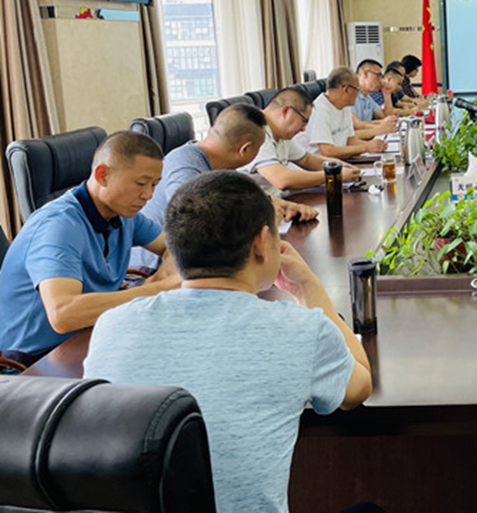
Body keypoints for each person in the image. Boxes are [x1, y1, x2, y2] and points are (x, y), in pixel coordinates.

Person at [84, 171, 372, 513]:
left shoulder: (112, 325)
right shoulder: (301, 329)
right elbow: (360, 387)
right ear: (262, 242)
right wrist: (309, 287)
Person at [0, 132, 180, 367]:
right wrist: (156, 289)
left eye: (154, 184)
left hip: (89, 335)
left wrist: (159, 279)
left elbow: (175, 247)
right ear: (102, 175)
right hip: (31, 363)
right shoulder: (58, 226)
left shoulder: (124, 213)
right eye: (141, 183)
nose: (148, 195)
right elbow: (63, 315)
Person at [131, 104, 317, 273]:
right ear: (245, 150)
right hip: (154, 270)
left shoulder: (219, 166)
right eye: (259, 148)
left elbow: (240, 198)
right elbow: (192, 225)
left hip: (195, 264)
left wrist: (281, 204)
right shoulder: (185, 163)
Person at [244, 87, 362, 192]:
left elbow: (307, 160)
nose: (303, 129)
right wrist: (333, 175)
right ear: (286, 111)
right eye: (304, 121)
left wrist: (339, 166)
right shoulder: (255, 131)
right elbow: (282, 180)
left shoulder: (281, 133)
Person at [302, 67, 389, 159]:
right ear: (346, 89)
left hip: (340, 161)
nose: (358, 94)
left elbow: (349, 140)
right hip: (319, 165)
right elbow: (327, 151)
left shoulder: (345, 106)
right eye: (357, 89)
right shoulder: (320, 110)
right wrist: (365, 147)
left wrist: (374, 145)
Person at [349, 60, 399, 139]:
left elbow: (385, 116)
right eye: (378, 75)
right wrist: (381, 126)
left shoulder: (368, 97)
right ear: (365, 74)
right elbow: (355, 126)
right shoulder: (349, 95)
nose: (380, 80)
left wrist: (387, 95)